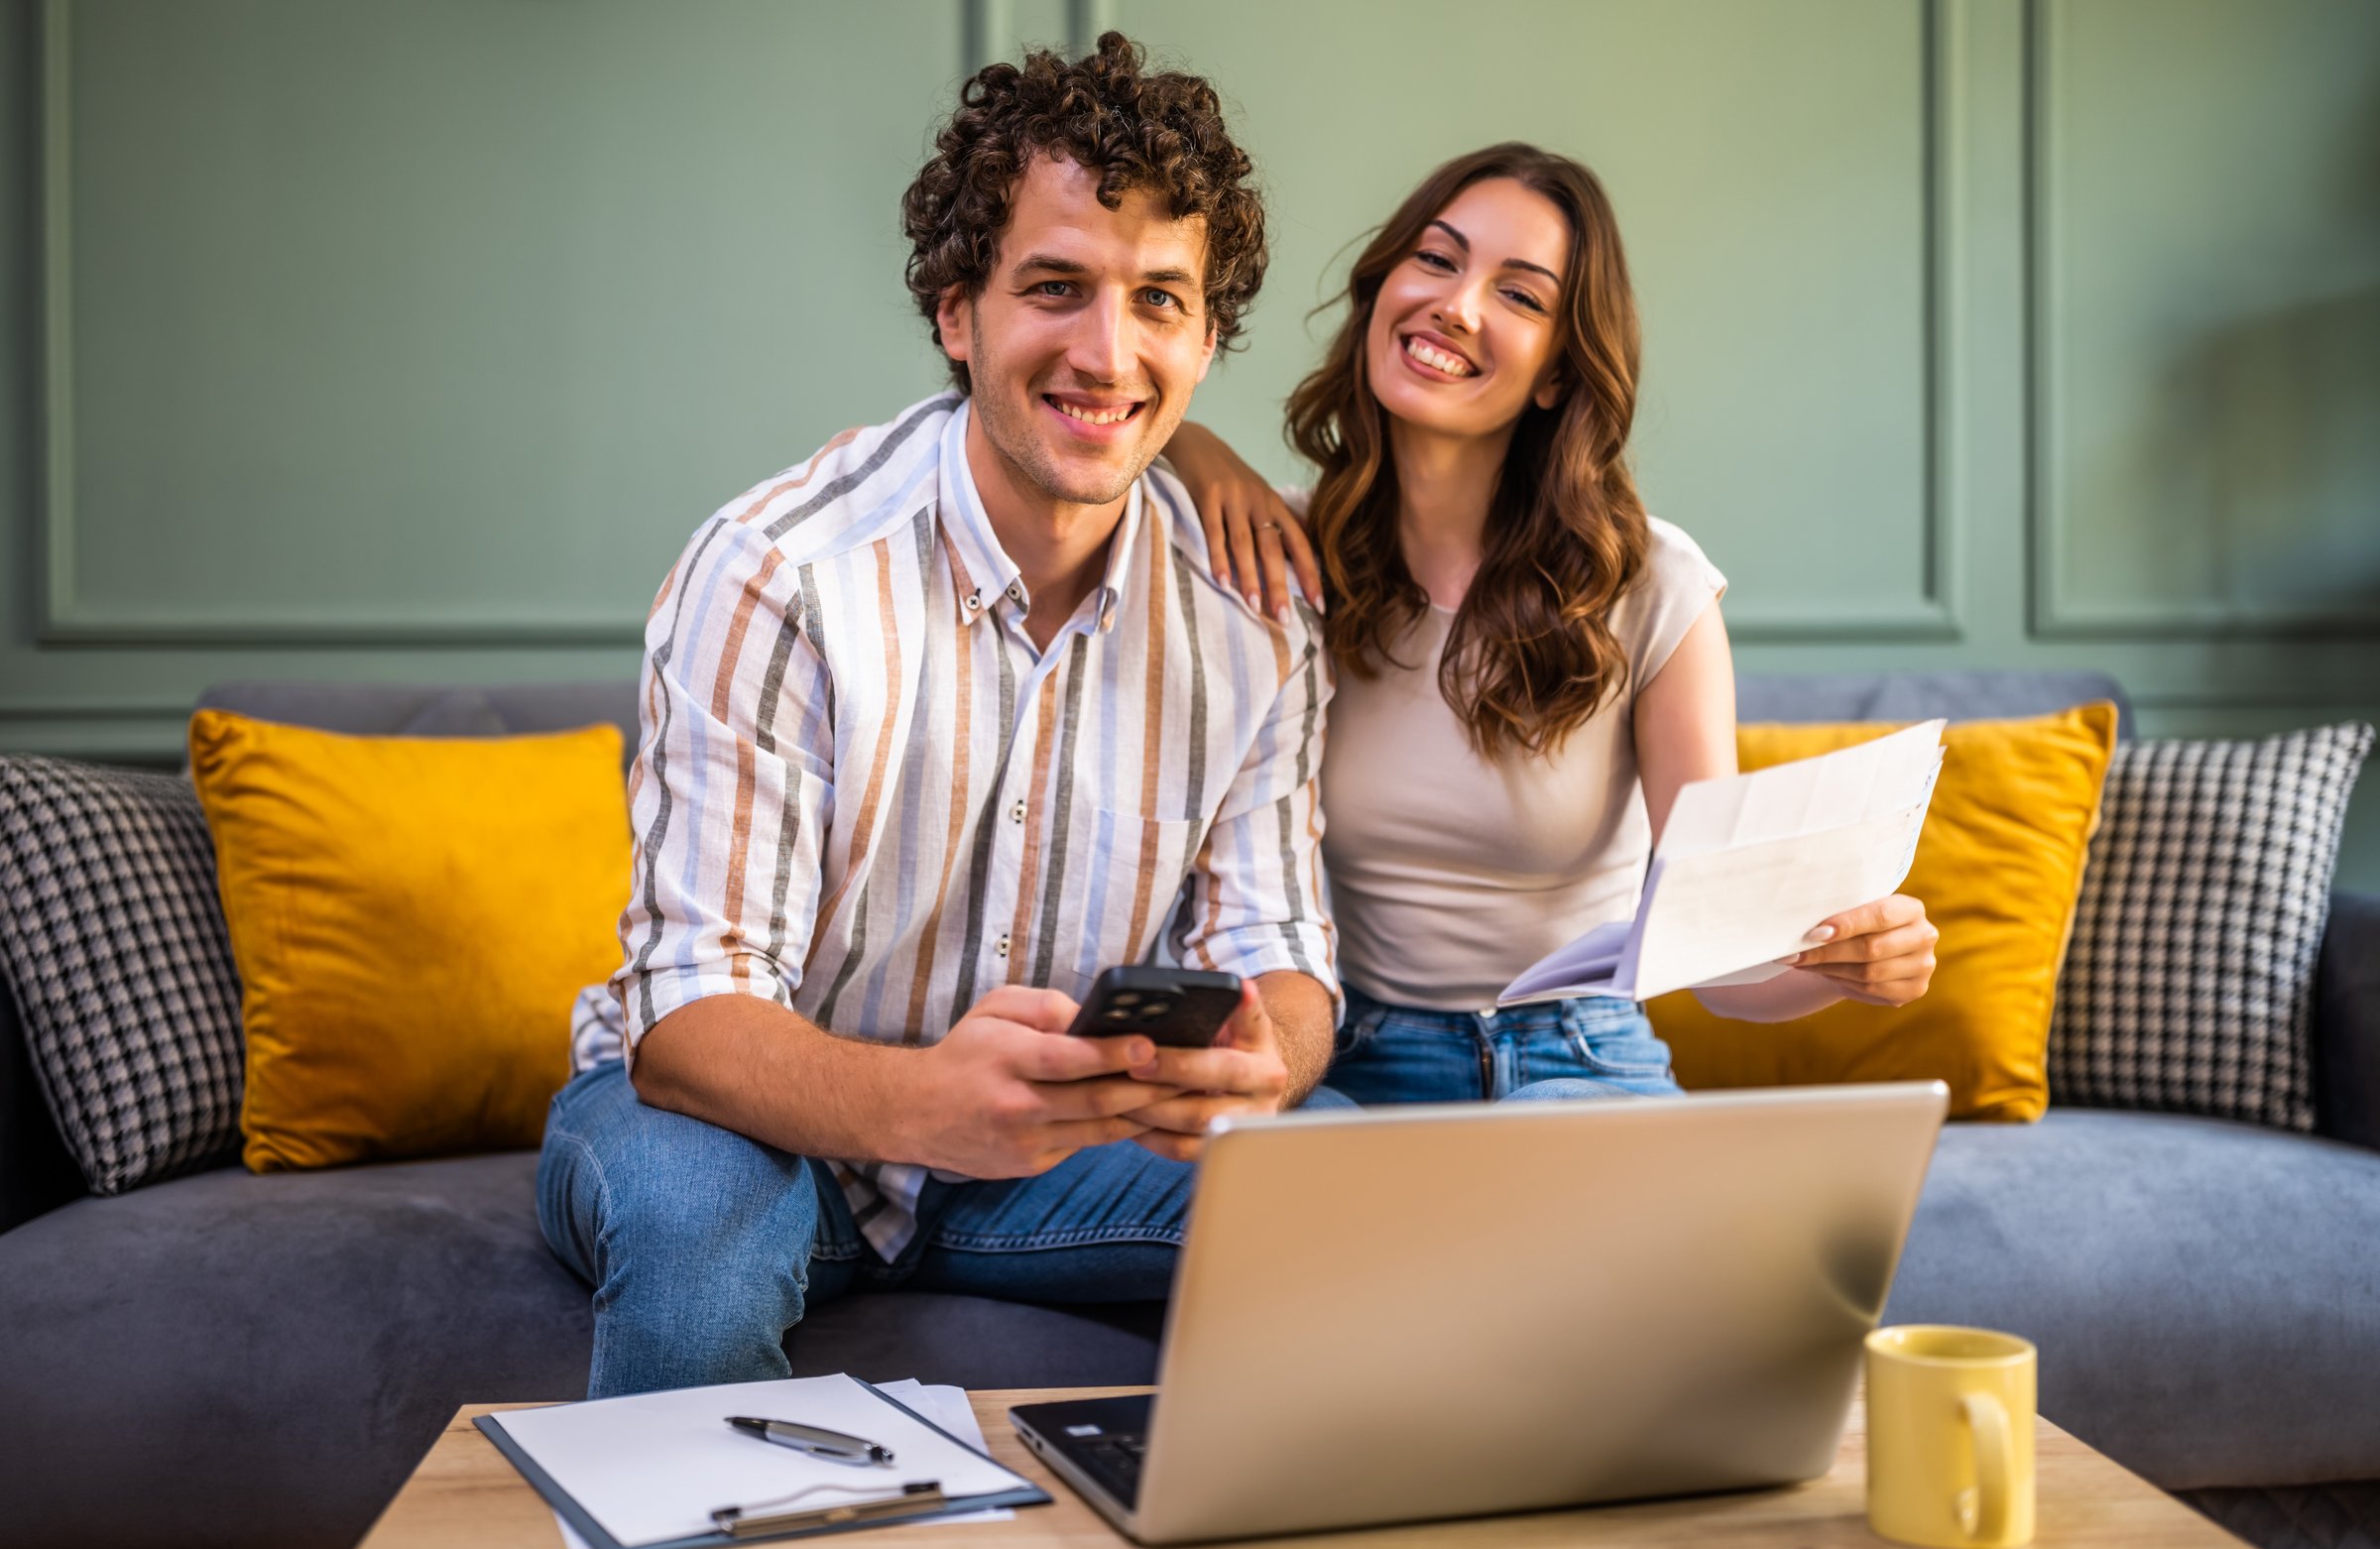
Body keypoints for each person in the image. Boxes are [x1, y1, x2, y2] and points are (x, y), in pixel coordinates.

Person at [538, 35, 1342, 1398]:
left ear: (1207, 338)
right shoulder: (778, 575)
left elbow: (1284, 956)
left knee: (1348, 1193)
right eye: (1055, 287)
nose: (1110, 351)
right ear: (957, 308)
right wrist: (928, 1109)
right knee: (697, 1232)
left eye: (1160, 299)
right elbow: (686, 1019)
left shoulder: (1254, 621)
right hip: (739, 1125)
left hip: (1049, 1155)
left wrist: (1264, 1057)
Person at [1159, 143, 1939, 1106]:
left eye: (1520, 296)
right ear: (1383, 290)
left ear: (1558, 376)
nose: (1458, 303)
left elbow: (1724, 958)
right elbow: (1104, 437)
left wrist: (1840, 961)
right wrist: (1190, 443)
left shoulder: (1650, 584)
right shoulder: (1276, 550)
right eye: (1436, 260)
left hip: (1581, 1055)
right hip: (1352, 1062)